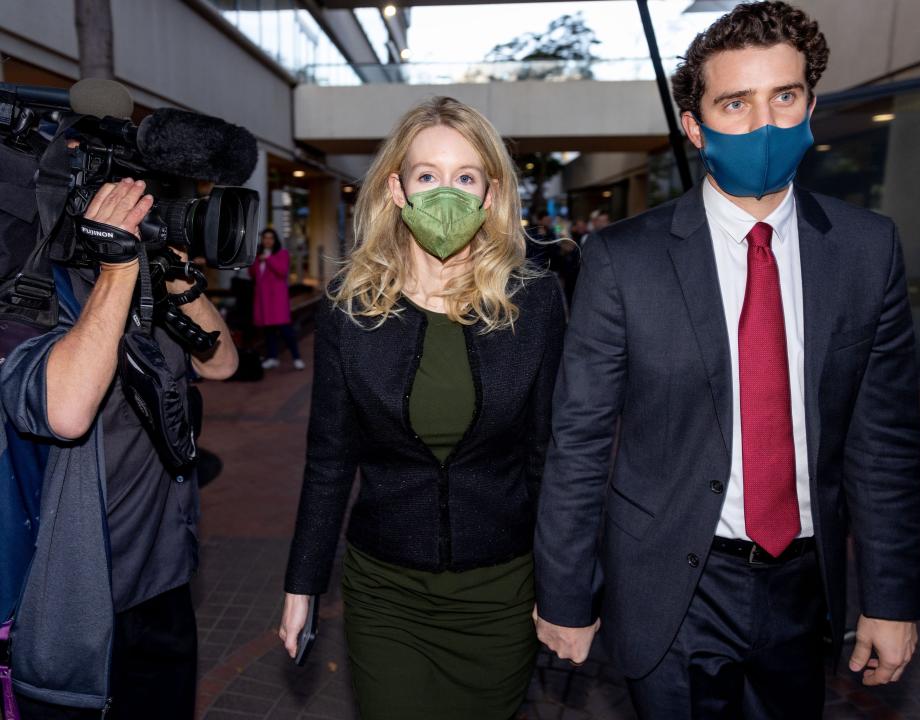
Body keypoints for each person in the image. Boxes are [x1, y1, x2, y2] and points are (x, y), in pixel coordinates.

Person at [533, 3, 920, 718]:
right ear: (695, 124)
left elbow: (885, 443)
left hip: (806, 585)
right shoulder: (624, 259)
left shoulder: (868, 249)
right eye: (736, 103)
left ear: (811, 102)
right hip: (671, 583)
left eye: (784, 96)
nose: (765, 123)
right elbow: (580, 440)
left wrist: (893, 598)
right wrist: (564, 594)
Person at [278, 96, 565, 720]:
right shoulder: (349, 305)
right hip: (386, 593)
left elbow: (550, 455)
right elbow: (329, 460)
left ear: (490, 194)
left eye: (466, 177)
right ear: (397, 189)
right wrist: (302, 583)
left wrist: (566, 588)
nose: (448, 193)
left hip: (502, 590)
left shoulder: (534, 301)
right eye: (428, 175)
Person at [1, 178, 239, 719]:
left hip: (164, 580)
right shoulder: (37, 285)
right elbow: (65, 411)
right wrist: (116, 268)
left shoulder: (149, 283)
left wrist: (173, 265)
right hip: (75, 600)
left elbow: (221, 364)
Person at [250, 228, 304, 370]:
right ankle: (272, 357)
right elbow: (253, 274)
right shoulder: (258, 256)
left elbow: (282, 271)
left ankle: (296, 357)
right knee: (268, 331)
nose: (267, 240)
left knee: (286, 330)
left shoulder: (282, 254)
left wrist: (268, 259)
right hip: (263, 299)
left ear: (275, 240)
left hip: (276, 300)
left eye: (270, 238)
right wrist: (256, 260)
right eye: (265, 238)